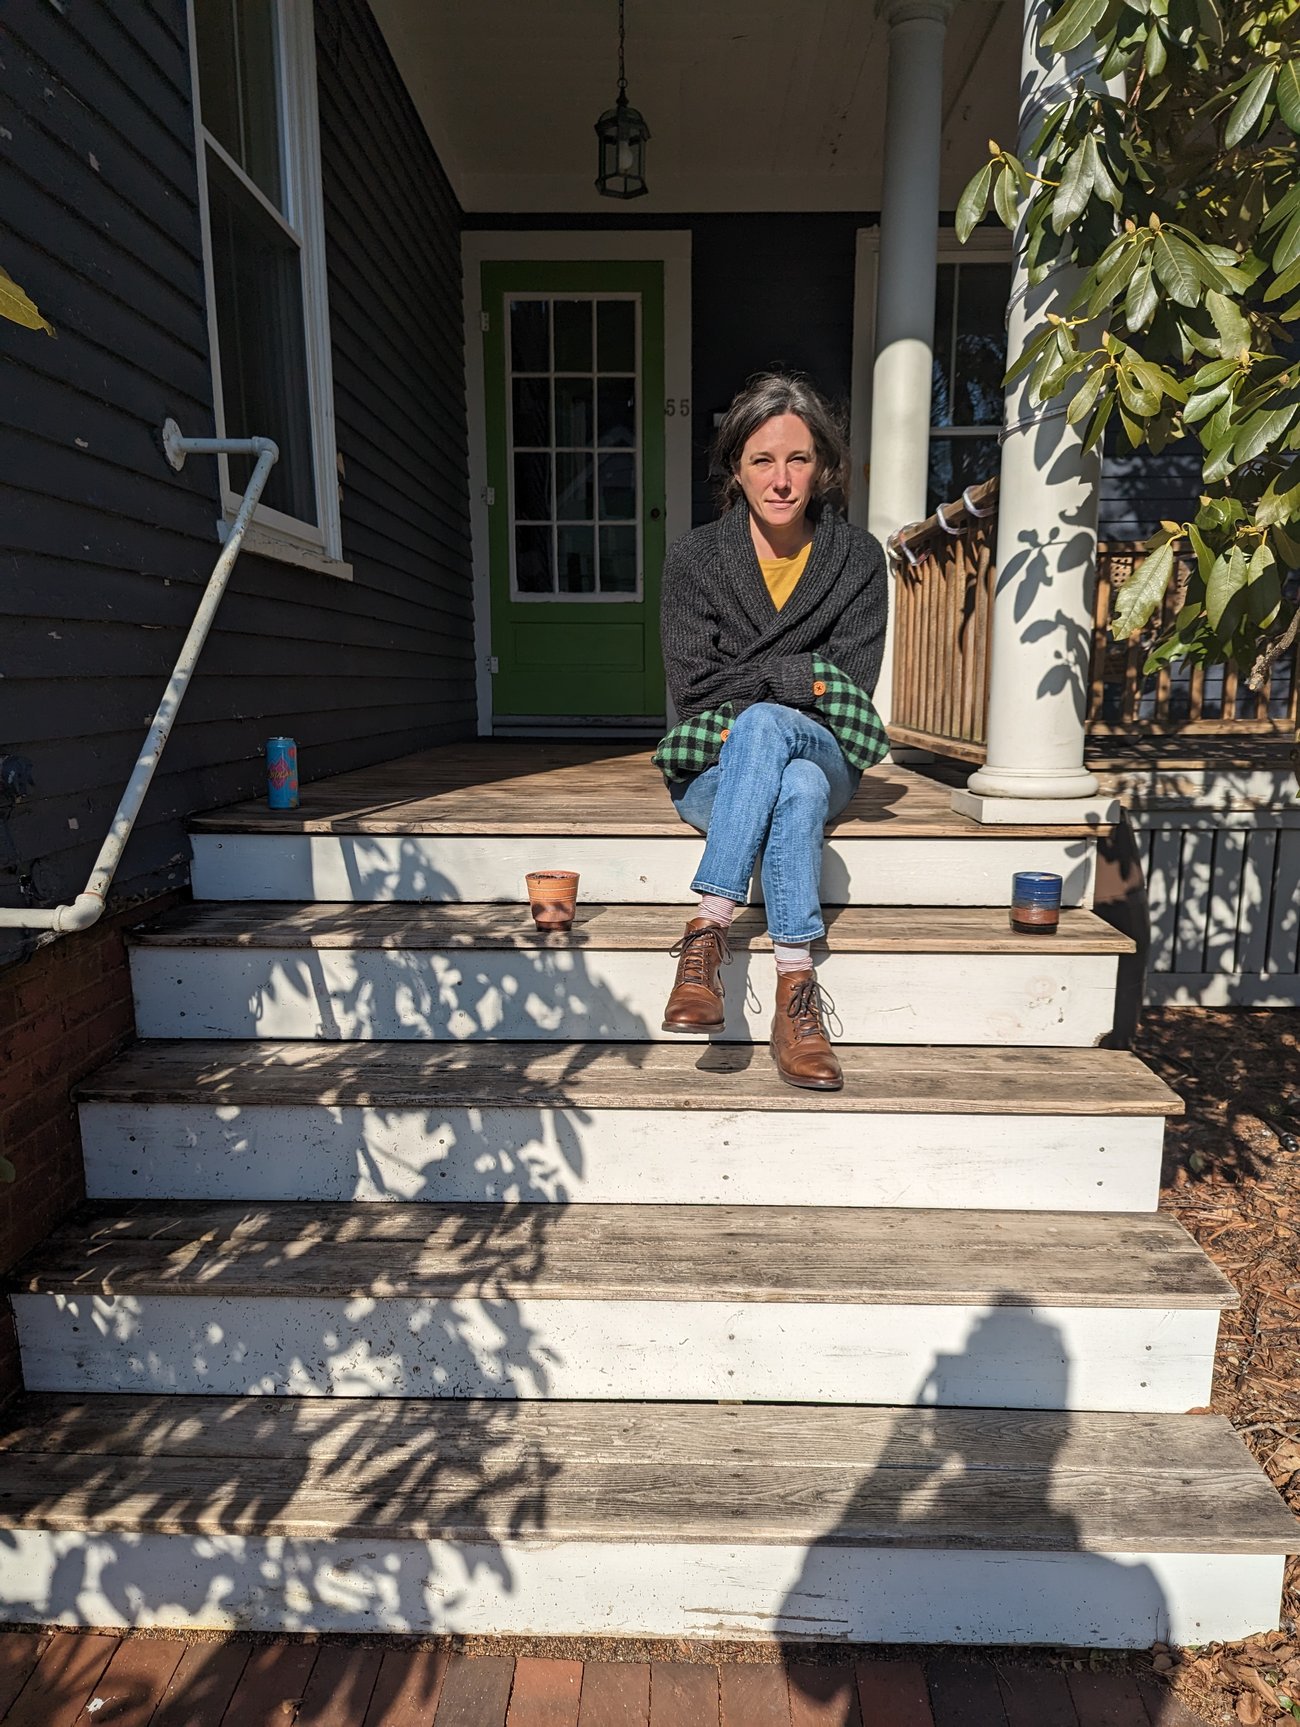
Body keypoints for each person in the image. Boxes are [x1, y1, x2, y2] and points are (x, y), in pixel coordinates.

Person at [655, 372, 888, 1091]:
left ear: (823, 467)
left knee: (773, 730)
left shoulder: (857, 558)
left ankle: (708, 928)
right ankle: (796, 992)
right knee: (793, 785)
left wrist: (769, 686)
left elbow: (849, 684)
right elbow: (692, 691)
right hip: (718, 771)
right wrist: (799, 675)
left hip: (824, 744)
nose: (781, 479)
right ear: (735, 468)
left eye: (797, 459)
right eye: (762, 460)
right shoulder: (696, 560)